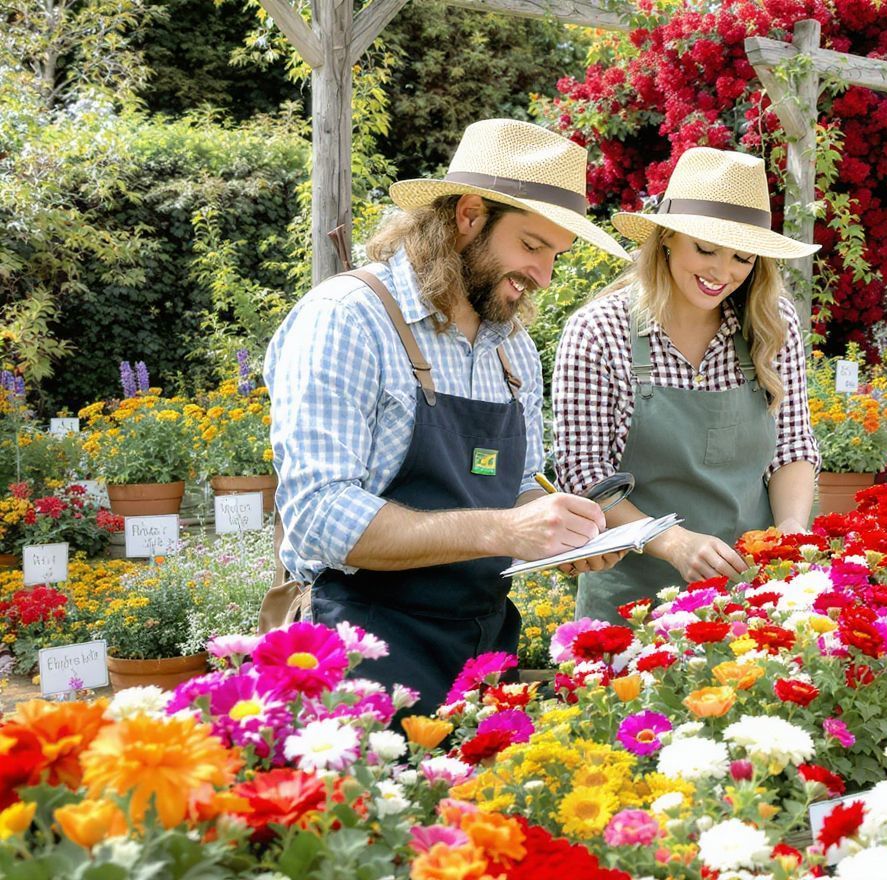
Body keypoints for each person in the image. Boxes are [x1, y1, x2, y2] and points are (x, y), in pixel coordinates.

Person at [264, 119, 630, 712]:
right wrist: (503, 530)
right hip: (362, 652)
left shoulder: (512, 349)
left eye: (556, 255)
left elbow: (515, 494)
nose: (544, 275)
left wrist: (564, 536)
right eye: (533, 246)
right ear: (467, 216)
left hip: (482, 645)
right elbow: (319, 518)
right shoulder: (348, 318)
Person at [551, 146, 822, 622]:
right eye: (706, 248)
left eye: (742, 257)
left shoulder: (770, 324)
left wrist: (794, 530)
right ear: (667, 238)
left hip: (746, 592)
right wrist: (673, 542)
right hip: (631, 602)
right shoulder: (599, 330)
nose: (723, 273)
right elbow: (585, 477)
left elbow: (792, 446)